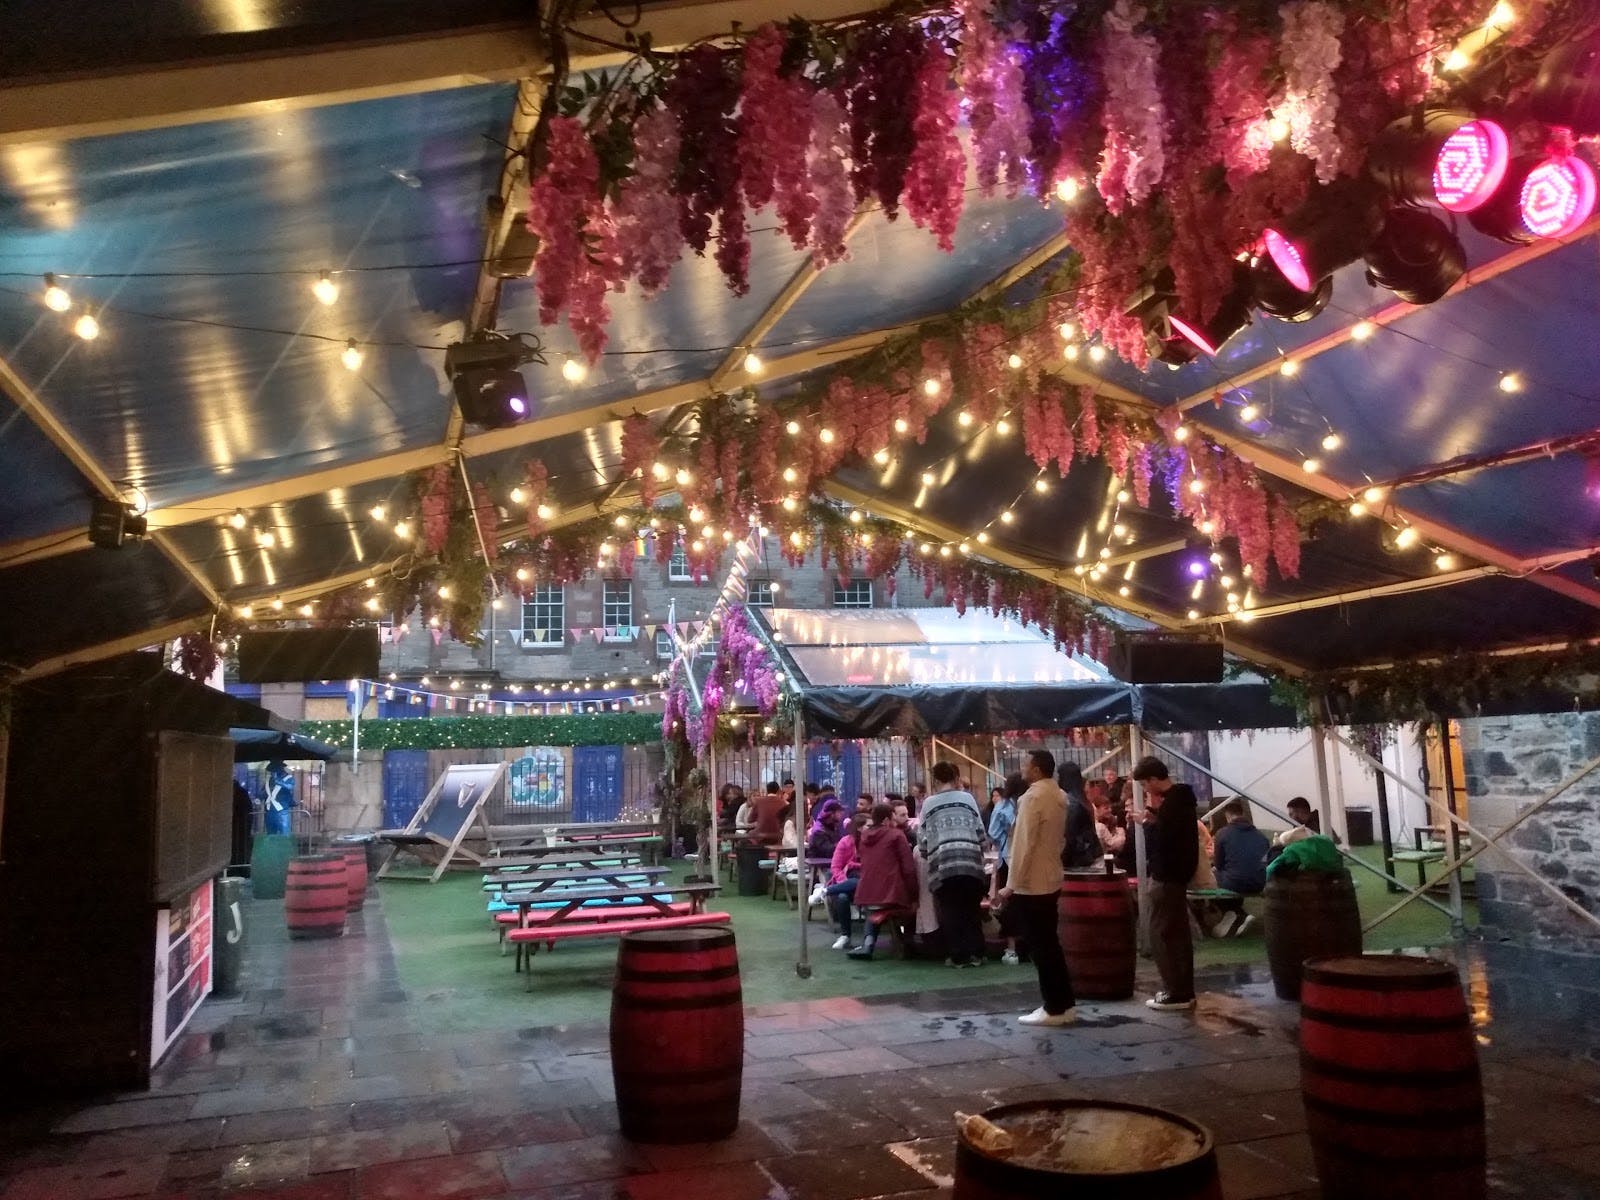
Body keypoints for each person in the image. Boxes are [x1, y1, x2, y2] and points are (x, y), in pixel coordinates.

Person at [998, 751, 1075, 1026]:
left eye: (1025, 765)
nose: (1022, 770)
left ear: (1037, 769)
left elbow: (1023, 845)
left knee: (1041, 946)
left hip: (1033, 884)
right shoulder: (1059, 796)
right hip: (1052, 876)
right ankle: (1063, 1003)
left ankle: (1053, 1007)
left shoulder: (1031, 798)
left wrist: (1011, 885)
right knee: (1050, 944)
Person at [1129, 756, 1199, 1012]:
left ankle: (1175, 992)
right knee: (1177, 934)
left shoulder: (1172, 805)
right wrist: (1152, 818)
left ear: (1154, 780)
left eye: (1145, 784)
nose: (1145, 790)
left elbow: (1164, 841)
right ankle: (1183, 990)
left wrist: (1148, 824)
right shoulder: (1182, 800)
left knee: (1162, 933)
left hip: (1167, 876)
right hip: (1178, 876)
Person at [918, 761, 989, 968]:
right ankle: (977, 953)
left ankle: (958, 956)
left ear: (936, 780)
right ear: (955, 778)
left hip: (944, 865)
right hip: (971, 863)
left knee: (950, 910)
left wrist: (929, 852)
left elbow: (922, 839)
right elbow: (980, 832)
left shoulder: (929, 803)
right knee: (971, 909)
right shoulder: (967, 798)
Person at [847, 803, 919, 960]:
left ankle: (868, 943)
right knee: (916, 905)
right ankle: (909, 942)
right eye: (894, 818)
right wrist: (914, 895)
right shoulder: (897, 836)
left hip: (866, 894)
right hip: (892, 893)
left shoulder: (863, 838)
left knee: (874, 908)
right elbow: (908, 868)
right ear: (887, 819)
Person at [1211, 800, 1270, 937]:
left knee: (1214, 875)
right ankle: (1237, 913)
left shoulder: (1222, 834)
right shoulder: (1261, 836)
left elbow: (1219, 864)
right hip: (1260, 882)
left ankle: (1234, 912)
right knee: (1237, 872)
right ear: (1243, 814)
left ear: (1227, 816)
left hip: (1235, 882)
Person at [989, 773, 1024, 964]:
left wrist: (1003, 839)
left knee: (1009, 903)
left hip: (1007, 858)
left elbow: (993, 832)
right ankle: (1029, 945)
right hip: (1028, 859)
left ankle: (1011, 950)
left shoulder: (1002, 805)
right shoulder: (1028, 803)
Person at [825, 812, 867, 950]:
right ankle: (845, 936)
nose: (872, 828)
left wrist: (854, 865)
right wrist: (843, 881)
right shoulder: (845, 842)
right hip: (847, 881)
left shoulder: (872, 843)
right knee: (842, 897)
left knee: (858, 882)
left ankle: (824, 891)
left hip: (868, 882)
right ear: (859, 828)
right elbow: (835, 867)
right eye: (869, 825)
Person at [1060, 763, 1100, 871]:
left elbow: (1070, 834)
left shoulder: (1070, 802)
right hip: (1087, 853)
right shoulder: (1082, 800)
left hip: (1075, 856)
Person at [1088, 781, 1125, 858]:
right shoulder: (1097, 826)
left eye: (1110, 807)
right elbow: (1112, 844)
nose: (1110, 810)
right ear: (1096, 810)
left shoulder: (1113, 821)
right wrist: (1121, 834)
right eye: (1106, 808)